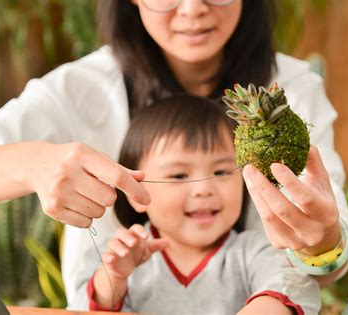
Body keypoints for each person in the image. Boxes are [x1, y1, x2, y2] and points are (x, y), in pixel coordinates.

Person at [0, 0, 348, 309]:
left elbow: (327, 258)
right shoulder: (79, 90)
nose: (192, 10)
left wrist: (321, 240)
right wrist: (29, 164)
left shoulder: (291, 88)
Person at [87, 94, 321, 314]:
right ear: (134, 193)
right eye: (178, 175)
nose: (203, 189)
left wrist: (268, 306)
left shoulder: (253, 252)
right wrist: (114, 278)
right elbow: (79, 306)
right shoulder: (119, 254)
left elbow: (295, 285)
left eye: (220, 172)